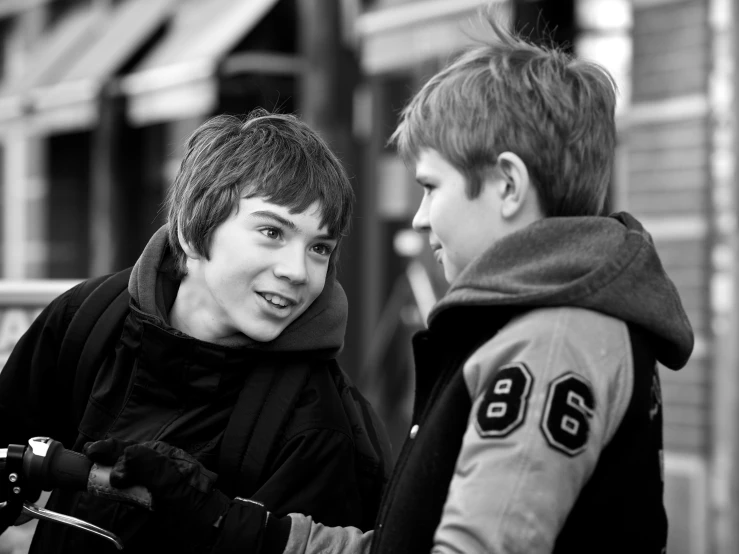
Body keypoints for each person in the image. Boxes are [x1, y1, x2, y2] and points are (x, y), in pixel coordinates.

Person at [79, 9, 694, 554]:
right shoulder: (554, 324)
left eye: (431, 186)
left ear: (507, 185)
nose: (421, 217)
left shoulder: (551, 344)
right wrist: (223, 523)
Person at [0, 109, 392, 553]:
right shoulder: (90, 319)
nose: (297, 271)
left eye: (319, 247)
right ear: (190, 231)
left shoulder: (315, 422)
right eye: (271, 231)